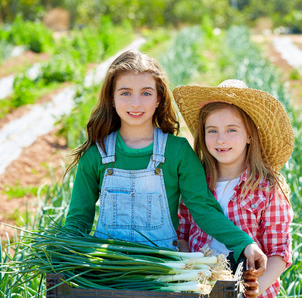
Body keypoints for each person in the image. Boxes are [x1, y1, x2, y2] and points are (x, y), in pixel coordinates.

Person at [63, 51, 267, 274]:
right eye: (125, 93)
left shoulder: (177, 151)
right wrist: (62, 251)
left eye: (146, 93)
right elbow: (78, 219)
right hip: (108, 272)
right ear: (111, 98)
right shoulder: (96, 155)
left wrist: (245, 243)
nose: (136, 102)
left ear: (159, 98)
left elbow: (203, 209)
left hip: (162, 273)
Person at [173, 79, 294, 298]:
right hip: (199, 286)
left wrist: (256, 289)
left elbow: (279, 253)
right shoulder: (195, 182)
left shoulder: (266, 188)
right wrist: (190, 270)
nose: (221, 139)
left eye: (231, 130)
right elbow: (182, 234)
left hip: (245, 287)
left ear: (249, 135)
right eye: (212, 130)